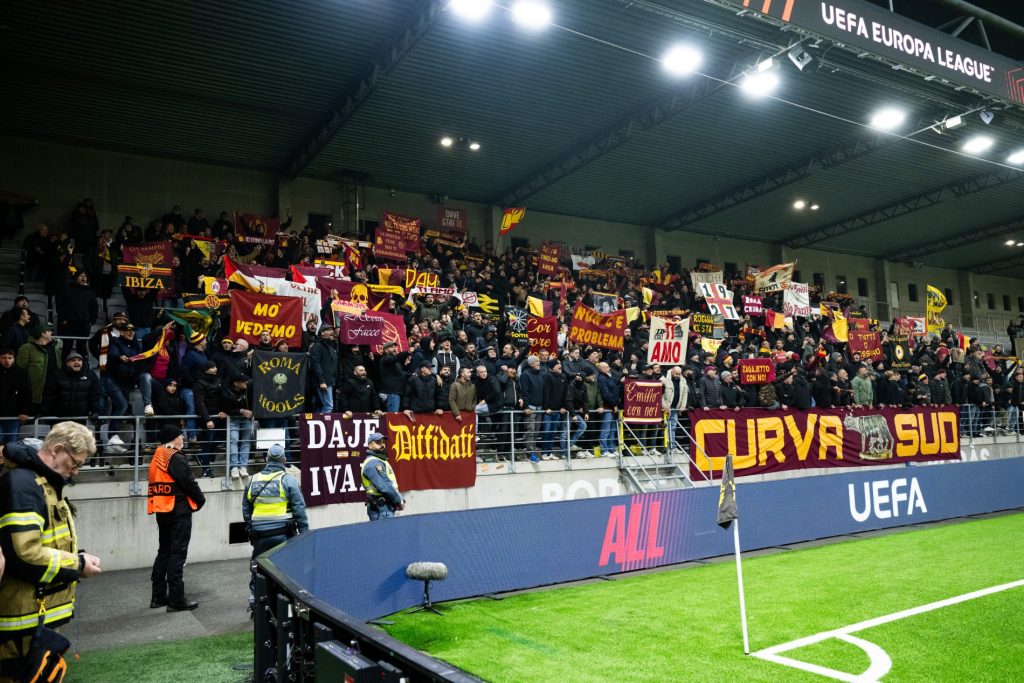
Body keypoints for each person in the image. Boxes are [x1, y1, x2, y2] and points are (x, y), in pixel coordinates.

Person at [0, 422, 102, 680]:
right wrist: (77, 564)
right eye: (74, 463)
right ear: (57, 450)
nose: (76, 471)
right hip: (20, 620)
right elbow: (24, 553)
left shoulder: (42, 482)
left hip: (32, 618)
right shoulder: (25, 483)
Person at [242, 444, 308, 609]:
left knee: (259, 568)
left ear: (266, 459)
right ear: (284, 461)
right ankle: (284, 603)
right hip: (284, 534)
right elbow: (299, 509)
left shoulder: (252, 480)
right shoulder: (288, 481)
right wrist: (304, 533)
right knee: (287, 569)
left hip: (259, 535)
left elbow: (246, 509)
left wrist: (251, 528)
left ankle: (256, 602)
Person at [147, 425, 205, 612]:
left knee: (164, 552)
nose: (183, 438)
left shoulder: (157, 456)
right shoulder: (174, 457)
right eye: (181, 436)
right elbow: (188, 482)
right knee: (177, 555)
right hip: (178, 511)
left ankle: (158, 597)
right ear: (173, 438)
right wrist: (200, 500)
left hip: (162, 510)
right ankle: (176, 600)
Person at [360, 433, 404, 520]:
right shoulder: (373, 463)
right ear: (370, 445)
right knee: (385, 533)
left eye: (383, 442)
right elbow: (385, 486)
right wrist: (398, 500)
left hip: (385, 507)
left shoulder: (380, 460)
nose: (382, 445)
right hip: (381, 509)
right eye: (378, 442)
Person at [0, 349, 31, 445]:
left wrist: (24, 411)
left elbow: (26, 394)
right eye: (4, 358)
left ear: (14, 359)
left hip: (14, 415)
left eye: (10, 358)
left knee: (12, 442)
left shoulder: (21, 373)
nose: (7, 360)